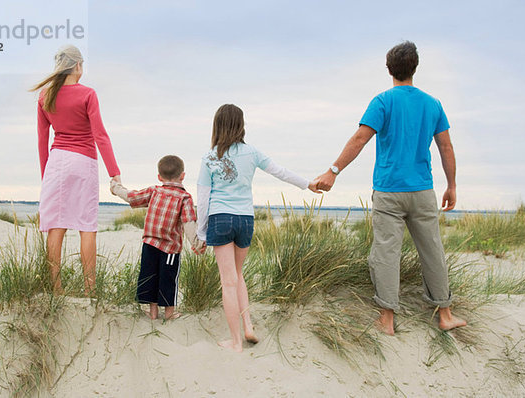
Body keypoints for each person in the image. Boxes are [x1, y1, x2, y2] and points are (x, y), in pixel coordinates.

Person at [314, 41, 467, 335]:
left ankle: (387, 319)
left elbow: (360, 139)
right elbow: (445, 147)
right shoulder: (432, 104)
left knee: (386, 252)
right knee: (432, 250)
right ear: (415, 67)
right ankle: (445, 314)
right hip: (423, 190)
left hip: (388, 191)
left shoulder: (382, 101)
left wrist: (333, 171)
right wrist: (452, 185)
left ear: (389, 69)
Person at [197, 104, 320, 352]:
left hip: (221, 218)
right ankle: (248, 326)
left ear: (217, 125)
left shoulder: (209, 157)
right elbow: (280, 172)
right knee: (238, 275)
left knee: (228, 282)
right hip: (245, 220)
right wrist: (309, 184)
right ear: (241, 125)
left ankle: (235, 342)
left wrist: (201, 232)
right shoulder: (252, 152)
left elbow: (203, 197)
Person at [31, 45, 121, 296]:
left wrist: (45, 175)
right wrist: (114, 172)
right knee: (86, 226)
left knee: (55, 226)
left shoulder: (44, 96)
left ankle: (56, 290)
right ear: (78, 66)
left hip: (56, 162)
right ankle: (89, 291)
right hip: (84, 161)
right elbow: (100, 135)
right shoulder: (88, 94)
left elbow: (41, 139)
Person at [110, 155, 206, 320]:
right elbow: (188, 222)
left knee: (150, 275)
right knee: (168, 278)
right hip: (170, 248)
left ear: (159, 177)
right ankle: (169, 313)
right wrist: (197, 244)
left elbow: (132, 197)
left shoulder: (154, 191)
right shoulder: (184, 197)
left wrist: (116, 187)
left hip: (149, 244)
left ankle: (153, 312)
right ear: (183, 175)